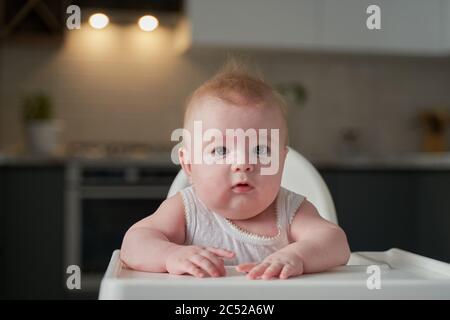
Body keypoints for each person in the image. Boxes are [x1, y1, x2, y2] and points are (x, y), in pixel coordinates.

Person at [120, 62, 350, 280]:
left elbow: (335, 242)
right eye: (221, 150)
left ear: (281, 160)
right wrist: (169, 255)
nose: (243, 163)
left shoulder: (290, 211)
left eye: (260, 149)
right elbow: (134, 243)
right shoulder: (187, 210)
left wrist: (297, 256)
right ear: (189, 164)